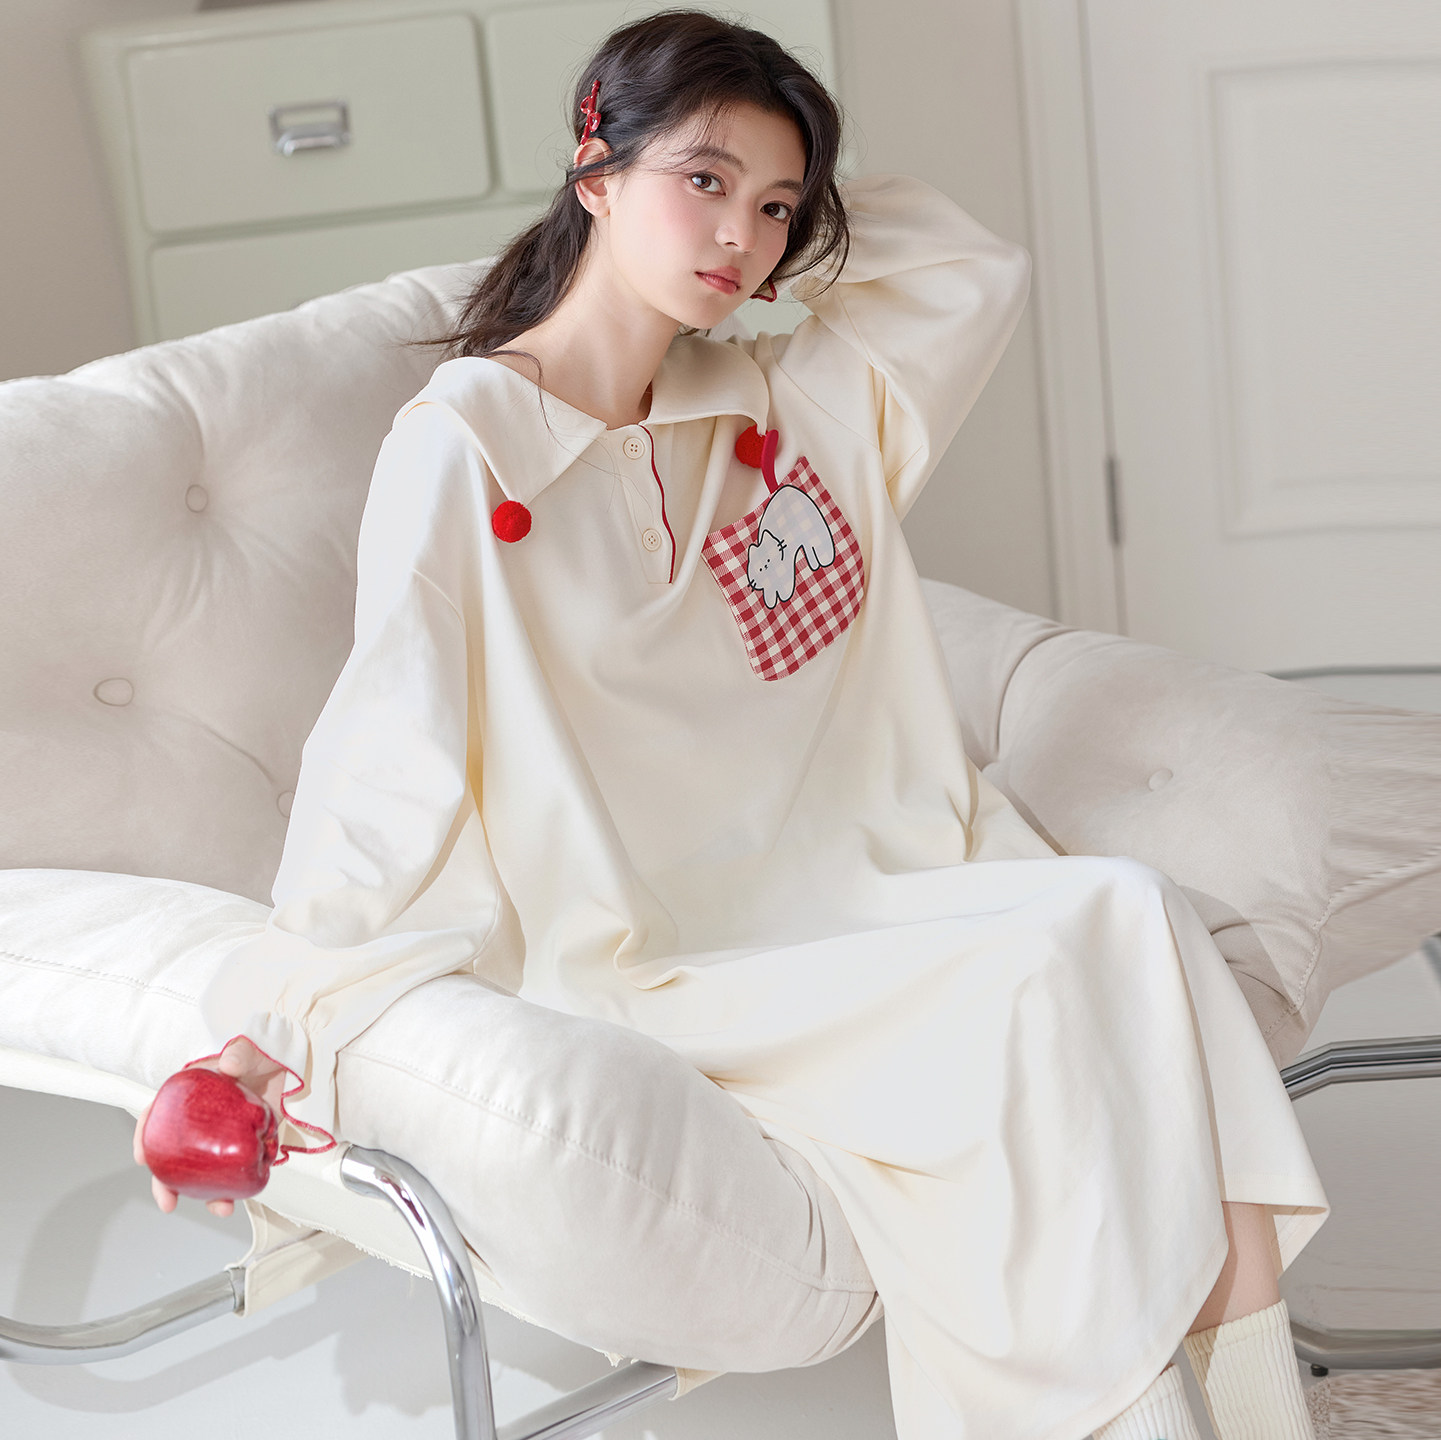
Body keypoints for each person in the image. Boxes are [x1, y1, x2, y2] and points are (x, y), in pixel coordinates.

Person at [132, 11, 1328, 1438]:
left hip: (865, 883)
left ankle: (1243, 1399)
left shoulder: (785, 402)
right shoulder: (463, 447)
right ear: (594, 171)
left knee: (1130, 918)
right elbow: (391, 748)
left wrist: (774, 203)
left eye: (774, 208)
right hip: (657, 947)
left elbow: (968, 270)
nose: (739, 238)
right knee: (1089, 947)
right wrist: (265, 1029)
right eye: (701, 181)